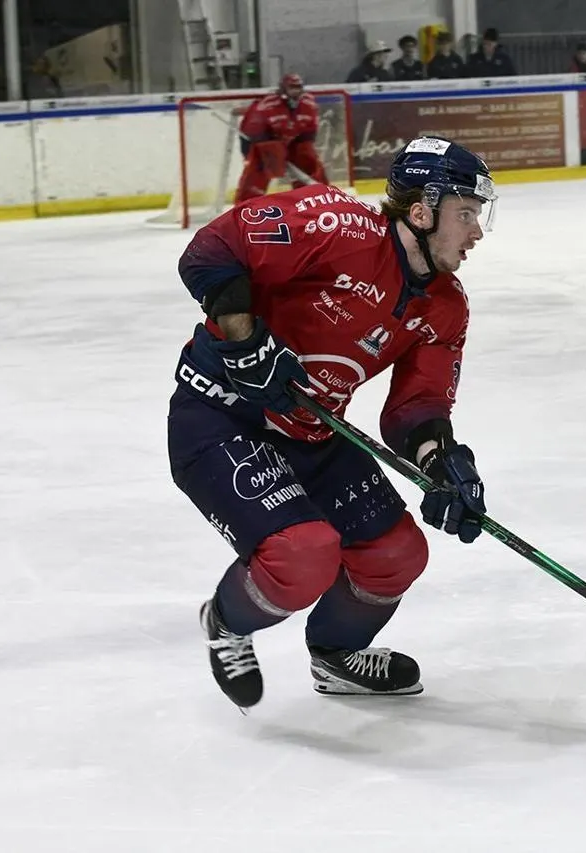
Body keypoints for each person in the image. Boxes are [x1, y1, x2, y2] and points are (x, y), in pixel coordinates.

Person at [169, 136, 497, 706]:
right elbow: (211, 251)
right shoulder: (336, 225)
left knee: (397, 554)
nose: (477, 232)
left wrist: (441, 461)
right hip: (222, 417)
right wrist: (244, 343)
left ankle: (336, 655)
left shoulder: (445, 306)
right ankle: (225, 621)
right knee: (302, 554)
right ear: (422, 211)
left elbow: (416, 407)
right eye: (465, 214)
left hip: (313, 434)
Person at [234, 73, 327, 203]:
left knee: (306, 155)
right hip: (264, 142)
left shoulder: (308, 104)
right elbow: (251, 130)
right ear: (283, 89)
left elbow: (309, 133)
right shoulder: (268, 105)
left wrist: (301, 155)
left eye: (298, 88)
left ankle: (318, 197)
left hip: (292, 140)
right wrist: (270, 151)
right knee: (263, 163)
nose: (295, 92)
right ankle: (247, 203)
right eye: (292, 88)